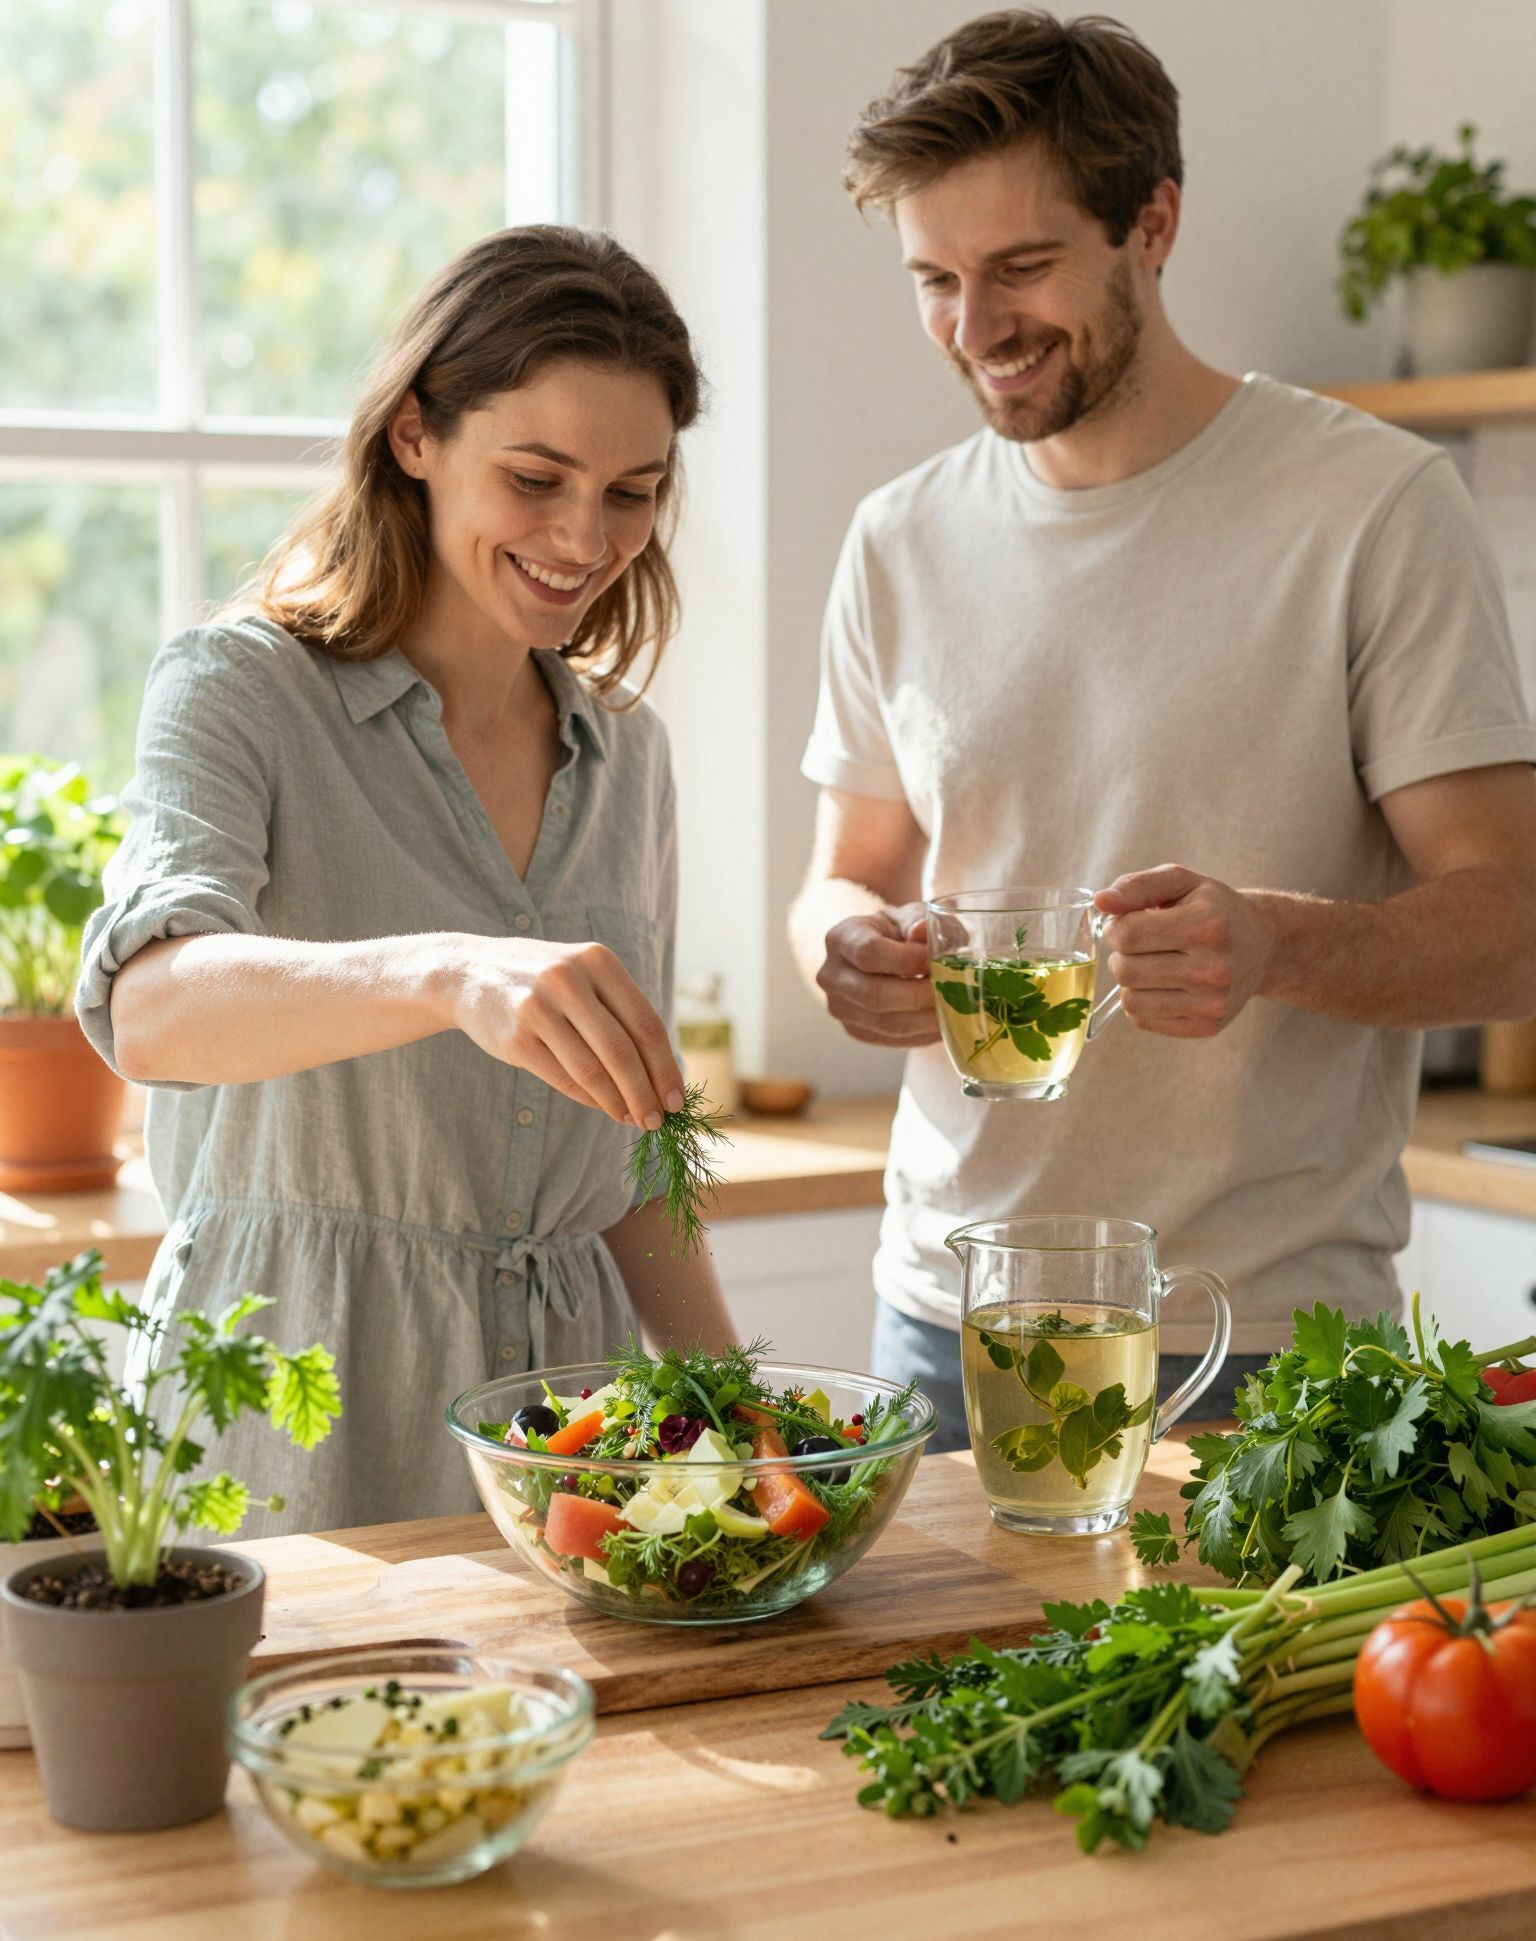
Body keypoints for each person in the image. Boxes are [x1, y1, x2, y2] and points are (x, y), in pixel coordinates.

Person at [789, 10, 1536, 1449]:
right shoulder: (899, 537)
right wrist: (844, 946)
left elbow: (1515, 926)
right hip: (948, 1315)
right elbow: (846, 872)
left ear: (1154, 223)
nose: (975, 329)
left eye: (1021, 267)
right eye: (935, 279)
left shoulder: (1373, 508)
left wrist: (1279, 945)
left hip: (1259, 1343)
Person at [78, 225, 738, 1531]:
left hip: (569, 1434)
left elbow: (629, 1156)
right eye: (536, 478)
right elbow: (150, 1010)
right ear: (415, 435)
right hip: (295, 1419)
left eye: (632, 491)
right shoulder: (239, 689)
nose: (586, 536)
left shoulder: (629, 756)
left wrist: (741, 1411)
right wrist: (444, 974)